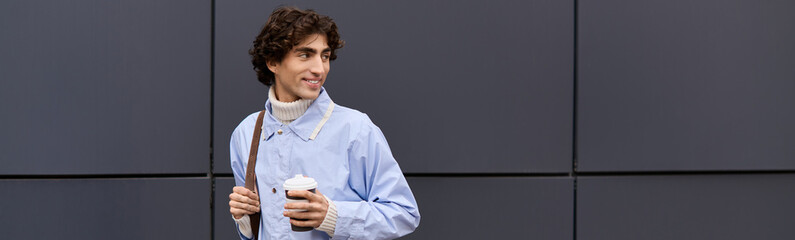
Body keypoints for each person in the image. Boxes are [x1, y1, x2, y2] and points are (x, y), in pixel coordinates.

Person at [227, 6, 420, 240]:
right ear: (273, 62)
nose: (319, 68)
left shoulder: (356, 129)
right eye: (305, 54)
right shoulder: (246, 133)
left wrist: (333, 216)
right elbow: (258, 232)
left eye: (325, 56)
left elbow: (404, 213)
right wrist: (246, 220)